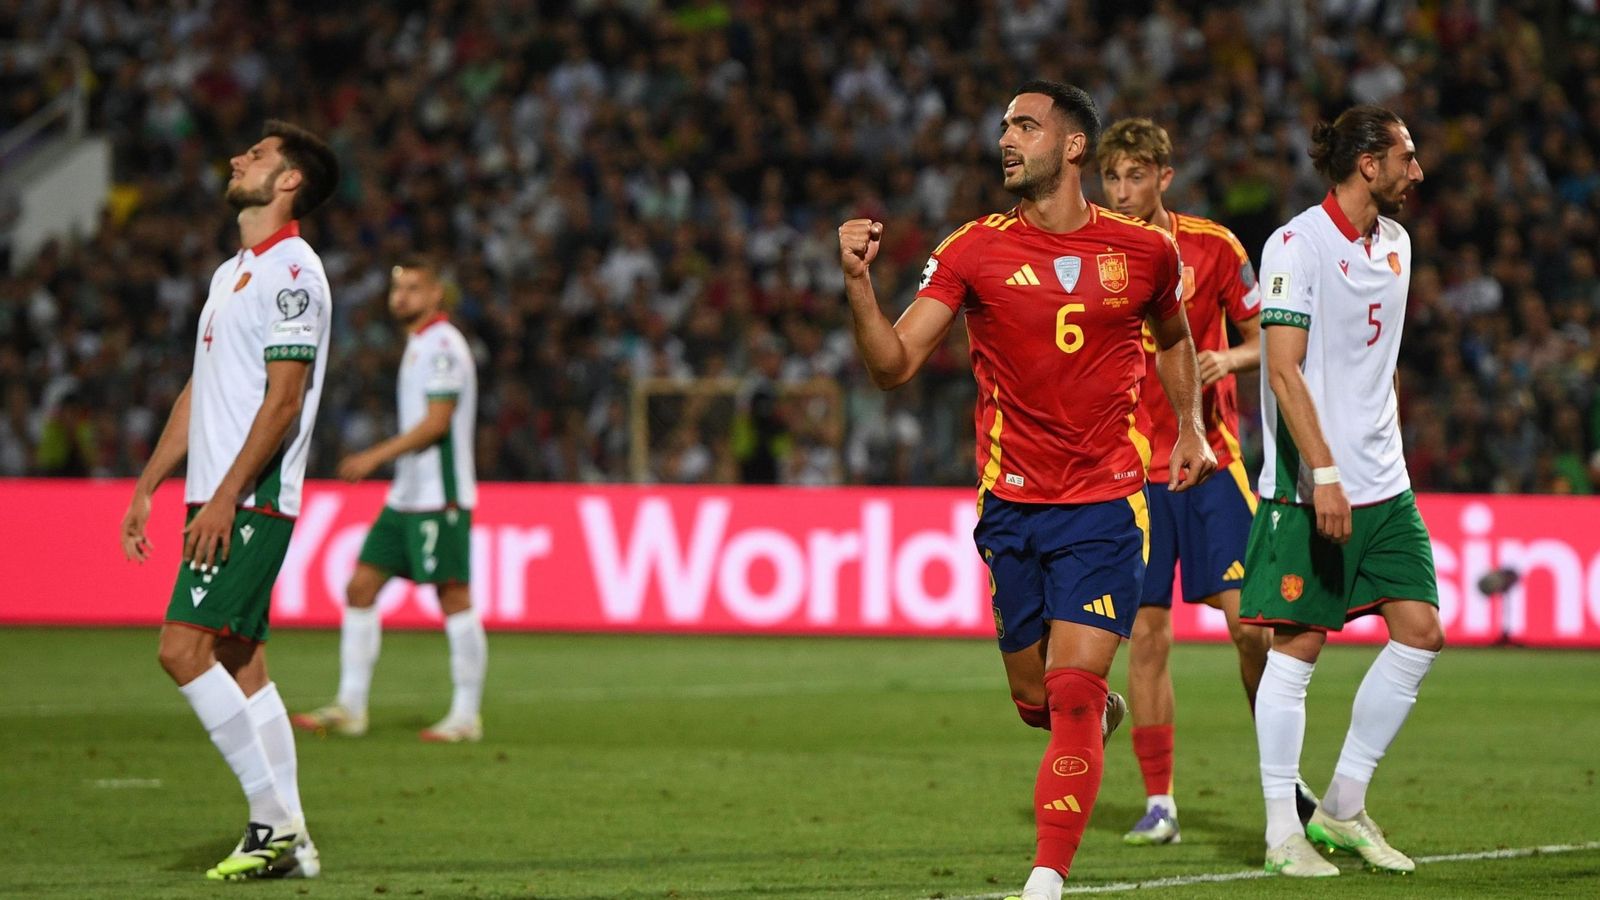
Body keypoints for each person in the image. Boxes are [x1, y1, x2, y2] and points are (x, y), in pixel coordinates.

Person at [838, 81, 1216, 900]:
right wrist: (860, 285)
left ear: (1073, 146)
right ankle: (1089, 718)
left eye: (1025, 125)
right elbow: (893, 365)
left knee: (1074, 691)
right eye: (1004, 125)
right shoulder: (973, 250)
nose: (1006, 139)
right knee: (1033, 700)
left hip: (1108, 506)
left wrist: (1189, 426)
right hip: (1010, 509)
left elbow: (1177, 338)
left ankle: (1045, 880)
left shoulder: (1146, 253)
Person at [119, 120, 338, 880]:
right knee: (244, 664)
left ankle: (270, 825)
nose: (238, 157)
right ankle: (294, 838)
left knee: (181, 651)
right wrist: (151, 483)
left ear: (287, 184)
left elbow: (283, 401)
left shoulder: (294, 274)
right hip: (215, 497)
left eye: (258, 155)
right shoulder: (232, 273)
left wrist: (227, 497)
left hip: (249, 501)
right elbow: (200, 390)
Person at [1098, 118, 1316, 845]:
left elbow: (1265, 338)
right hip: (1133, 473)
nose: (1122, 192)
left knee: (1250, 626)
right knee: (1148, 637)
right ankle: (1160, 803)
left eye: (1136, 177)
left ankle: (1283, 779)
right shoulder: (1094, 254)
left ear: (1164, 177)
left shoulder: (1214, 247)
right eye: (1112, 178)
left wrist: (1231, 361)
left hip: (1212, 461)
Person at [1243, 104, 1440, 877]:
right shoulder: (1294, 245)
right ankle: (1278, 832)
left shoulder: (1398, 245)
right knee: (1298, 648)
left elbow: (1381, 360)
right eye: (1405, 156)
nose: (1415, 171)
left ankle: (1342, 806)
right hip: (1307, 484)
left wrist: (1374, 453)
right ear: (1368, 163)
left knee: (1420, 631)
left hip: (1385, 485)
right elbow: (1284, 368)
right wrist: (1324, 470)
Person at [292, 257, 485, 742]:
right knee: (360, 587)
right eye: (397, 287)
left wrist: (374, 456)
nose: (402, 296)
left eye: (414, 288)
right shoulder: (418, 345)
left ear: (437, 294)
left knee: (453, 595)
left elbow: (438, 422)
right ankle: (351, 706)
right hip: (407, 496)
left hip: (440, 497)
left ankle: (466, 715)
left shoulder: (442, 345)